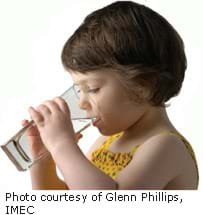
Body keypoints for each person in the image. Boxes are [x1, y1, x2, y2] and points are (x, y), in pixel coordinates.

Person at [23, 1, 199, 189]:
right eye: (78, 90)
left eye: (92, 89)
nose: (82, 103)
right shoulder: (106, 142)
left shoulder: (166, 147)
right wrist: (44, 163)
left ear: (144, 85)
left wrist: (62, 145)